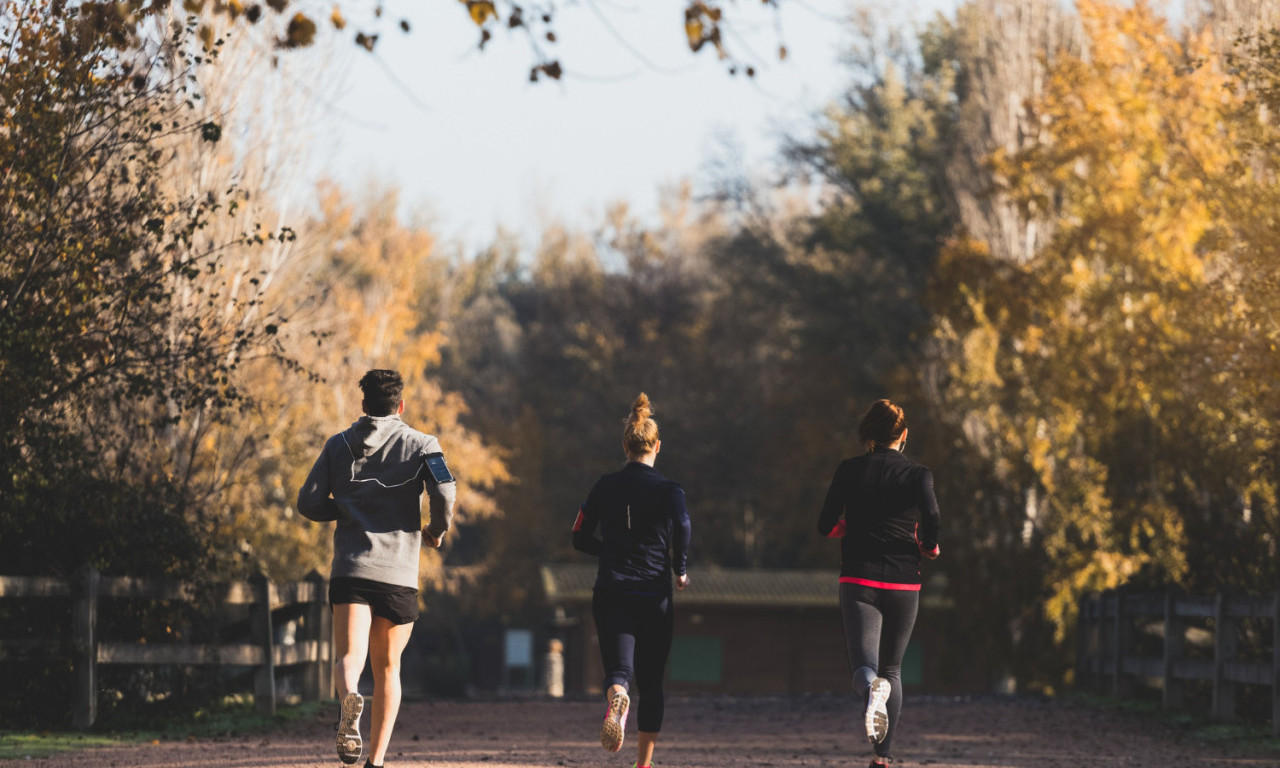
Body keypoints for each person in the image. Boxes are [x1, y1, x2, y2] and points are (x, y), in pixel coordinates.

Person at [297, 369, 456, 768]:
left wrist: (346, 509)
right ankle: (377, 761)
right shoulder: (423, 444)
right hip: (397, 575)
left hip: (351, 569)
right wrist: (436, 530)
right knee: (388, 668)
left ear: (363, 404)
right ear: (400, 405)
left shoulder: (338, 445)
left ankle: (350, 696)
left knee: (350, 658)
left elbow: (308, 501)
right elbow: (444, 490)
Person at [817, 399, 940, 768]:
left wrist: (848, 528)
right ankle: (882, 758)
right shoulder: (919, 475)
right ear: (904, 435)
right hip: (904, 583)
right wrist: (929, 545)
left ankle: (872, 690)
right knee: (893, 670)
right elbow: (932, 514)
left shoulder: (849, 470)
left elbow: (825, 525)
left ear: (868, 432)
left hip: (859, 581)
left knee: (864, 669)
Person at [572, 393, 692, 768]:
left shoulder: (604, 486)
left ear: (625, 447)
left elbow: (578, 536)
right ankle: (643, 764)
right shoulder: (670, 491)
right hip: (654, 593)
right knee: (652, 683)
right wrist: (679, 567)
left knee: (619, 671)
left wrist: (608, 551)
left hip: (612, 590)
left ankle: (617, 697)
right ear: (657, 446)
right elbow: (683, 525)